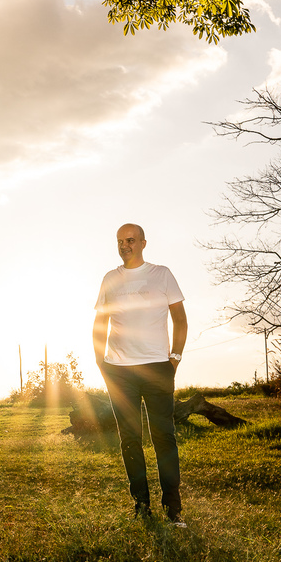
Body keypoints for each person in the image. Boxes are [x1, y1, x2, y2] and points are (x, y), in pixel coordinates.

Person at [93, 223, 188, 525]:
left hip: (157, 367)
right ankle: (141, 506)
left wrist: (174, 358)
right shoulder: (110, 279)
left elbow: (180, 319)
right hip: (119, 371)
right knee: (130, 440)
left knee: (164, 438)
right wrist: (100, 362)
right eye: (120, 241)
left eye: (130, 240)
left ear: (143, 243)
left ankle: (173, 509)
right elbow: (100, 323)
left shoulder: (161, 274)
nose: (124, 246)